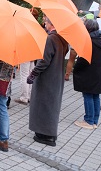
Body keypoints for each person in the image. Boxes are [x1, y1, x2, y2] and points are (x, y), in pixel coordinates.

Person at [27, 15, 68, 147]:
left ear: (51, 23)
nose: (44, 24)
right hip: (57, 77)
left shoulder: (51, 38)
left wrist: (33, 73)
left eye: (46, 22)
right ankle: (49, 133)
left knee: (43, 105)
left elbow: (44, 60)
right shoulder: (62, 38)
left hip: (47, 77)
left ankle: (45, 134)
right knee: (51, 105)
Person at [73, 18, 101, 129]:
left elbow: (83, 60)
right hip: (98, 72)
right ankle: (94, 121)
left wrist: (76, 67)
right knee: (95, 96)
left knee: (88, 95)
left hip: (89, 73)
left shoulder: (89, 41)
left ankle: (88, 120)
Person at [15, 8, 40, 105]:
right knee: (30, 74)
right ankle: (29, 95)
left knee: (24, 75)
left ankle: (24, 97)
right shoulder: (37, 26)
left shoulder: (26, 26)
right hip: (33, 53)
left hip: (25, 52)